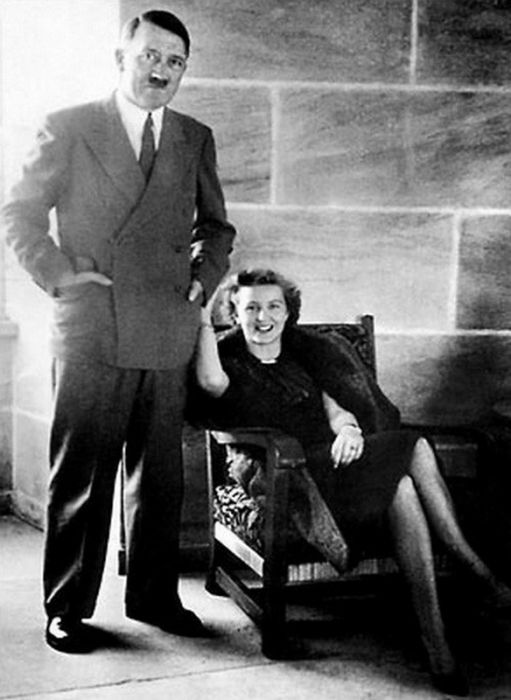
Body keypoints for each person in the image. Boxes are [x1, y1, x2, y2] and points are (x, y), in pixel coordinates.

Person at [0, 10, 235, 653]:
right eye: (150, 56)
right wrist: (59, 274)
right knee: (82, 473)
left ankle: (155, 598)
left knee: (160, 478)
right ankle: (67, 606)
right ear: (120, 58)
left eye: (175, 62)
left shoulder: (194, 137)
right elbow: (19, 212)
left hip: (165, 326)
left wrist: (202, 279)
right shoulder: (71, 125)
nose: (161, 70)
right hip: (92, 326)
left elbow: (216, 227)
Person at [194, 268, 511, 696]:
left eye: (273, 306)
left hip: (338, 464)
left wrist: (350, 430)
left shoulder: (308, 353)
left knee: (403, 482)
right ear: (235, 313)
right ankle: (473, 572)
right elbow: (210, 383)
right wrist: (201, 317)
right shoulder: (227, 359)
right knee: (410, 453)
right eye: (251, 308)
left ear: (288, 313)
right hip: (291, 475)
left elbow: (337, 409)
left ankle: (436, 639)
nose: (263, 317)